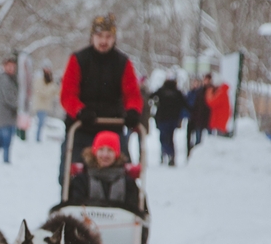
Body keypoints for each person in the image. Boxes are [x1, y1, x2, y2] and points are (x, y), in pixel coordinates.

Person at [58, 13, 143, 184]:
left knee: (125, 176)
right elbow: (67, 94)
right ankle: (70, 200)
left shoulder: (123, 63)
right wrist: (80, 110)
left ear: (114, 38)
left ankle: (131, 203)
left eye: (108, 36)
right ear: (92, 37)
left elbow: (132, 94)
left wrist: (133, 110)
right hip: (82, 127)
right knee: (72, 175)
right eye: (99, 36)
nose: (103, 41)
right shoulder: (78, 60)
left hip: (112, 127)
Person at [61, 130, 145, 217]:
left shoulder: (128, 183)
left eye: (110, 150)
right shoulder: (81, 181)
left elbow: (138, 214)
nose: (105, 155)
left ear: (116, 154)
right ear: (94, 152)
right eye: (101, 150)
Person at [0, 56, 19, 163]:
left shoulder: (3, 79)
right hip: (6, 116)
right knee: (6, 142)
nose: (11, 69)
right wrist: (19, 104)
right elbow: (9, 98)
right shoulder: (5, 80)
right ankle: (6, 162)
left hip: (1, 117)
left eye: (13, 67)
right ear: (4, 67)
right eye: (9, 66)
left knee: (0, 142)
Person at [152, 76, 188, 166]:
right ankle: (171, 154)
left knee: (163, 137)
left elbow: (152, 96)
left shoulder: (162, 91)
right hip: (173, 119)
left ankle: (166, 153)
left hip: (162, 119)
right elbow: (185, 104)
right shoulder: (177, 92)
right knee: (170, 138)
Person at [185, 74, 211, 156]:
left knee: (205, 138)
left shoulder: (207, 91)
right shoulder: (196, 93)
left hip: (204, 118)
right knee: (196, 138)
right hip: (196, 118)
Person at [31, 66, 59, 142]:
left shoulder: (49, 80)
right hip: (40, 105)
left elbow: (55, 92)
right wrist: (51, 87)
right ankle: (37, 138)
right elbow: (44, 93)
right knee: (40, 123)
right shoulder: (39, 80)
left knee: (42, 123)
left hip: (46, 106)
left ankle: (38, 137)